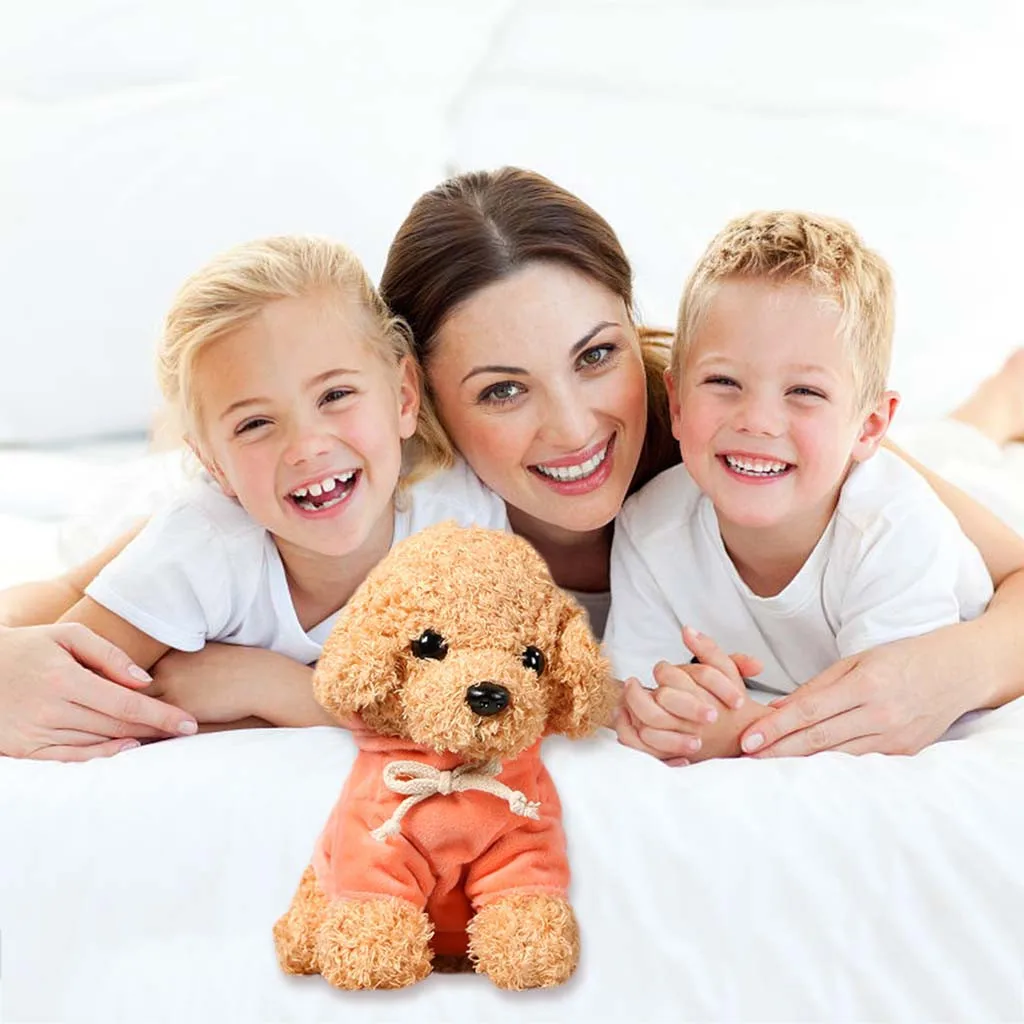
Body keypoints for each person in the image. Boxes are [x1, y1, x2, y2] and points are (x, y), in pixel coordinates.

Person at [4, 169, 1024, 763]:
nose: (573, 428)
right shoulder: (364, 486)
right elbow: (70, 604)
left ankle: (989, 406)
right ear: (421, 403)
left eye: (595, 355)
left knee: (954, 450)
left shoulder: (736, 428)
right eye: (501, 390)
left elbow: (1003, 567)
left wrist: (956, 668)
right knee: (157, 477)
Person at [51, 235, 506, 725]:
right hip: (153, 510)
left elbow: (490, 706)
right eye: (255, 423)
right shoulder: (194, 554)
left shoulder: (460, 522)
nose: (307, 446)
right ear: (215, 465)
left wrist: (273, 687)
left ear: (403, 397)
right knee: (74, 584)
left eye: (335, 395)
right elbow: (65, 691)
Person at [605, 210, 994, 763]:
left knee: (971, 463)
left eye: (805, 392)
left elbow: (878, 729)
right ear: (677, 403)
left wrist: (738, 731)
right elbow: (635, 697)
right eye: (723, 381)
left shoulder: (896, 531)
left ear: (870, 427)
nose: (758, 421)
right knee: (951, 445)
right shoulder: (649, 525)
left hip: (965, 524)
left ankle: (1000, 403)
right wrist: (681, 710)